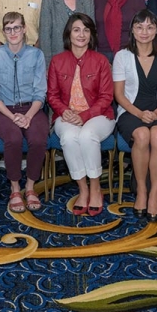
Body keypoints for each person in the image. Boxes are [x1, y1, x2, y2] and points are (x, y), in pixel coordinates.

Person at [48, 13, 116, 216]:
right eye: (76, 29)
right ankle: (83, 189)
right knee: (69, 137)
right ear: (69, 33)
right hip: (66, 115)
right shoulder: (57, 61)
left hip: (99, 115)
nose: (81, 34)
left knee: (87, 135)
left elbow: (106, 96)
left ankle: (95, 187)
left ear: (91, 35)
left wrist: (85, 115)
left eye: (86, 30)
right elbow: (51, 95)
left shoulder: (101, 61)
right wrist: (64, 111)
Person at [112, 10, 157, 222]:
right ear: (132, 29)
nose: (144, 32)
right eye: (139, 27)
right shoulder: (122, 56)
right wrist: (140, 113)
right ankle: (141, 191)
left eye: (150, 27)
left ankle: (154, 196)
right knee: (141, 136)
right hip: (131, 111)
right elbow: (119, 95)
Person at [0, 12, 48, 213]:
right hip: (2, 110)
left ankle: (30, 187)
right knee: (12, 137)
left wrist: (28, 116)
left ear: (24, 30)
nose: (13, 32)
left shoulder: (36, 55)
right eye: (9, 28)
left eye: (17, 28)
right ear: (3, 32)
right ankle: (14, 188)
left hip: (32, 108)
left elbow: (40, 92)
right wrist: (13, 117)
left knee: (38, 138)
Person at [39, 0, 95, 65]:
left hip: (84, 61)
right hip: (57, 61)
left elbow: (92, 34)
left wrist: (92, 62)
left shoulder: (88, 1)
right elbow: (45, 36)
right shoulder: (49, 0)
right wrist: (47, 65)